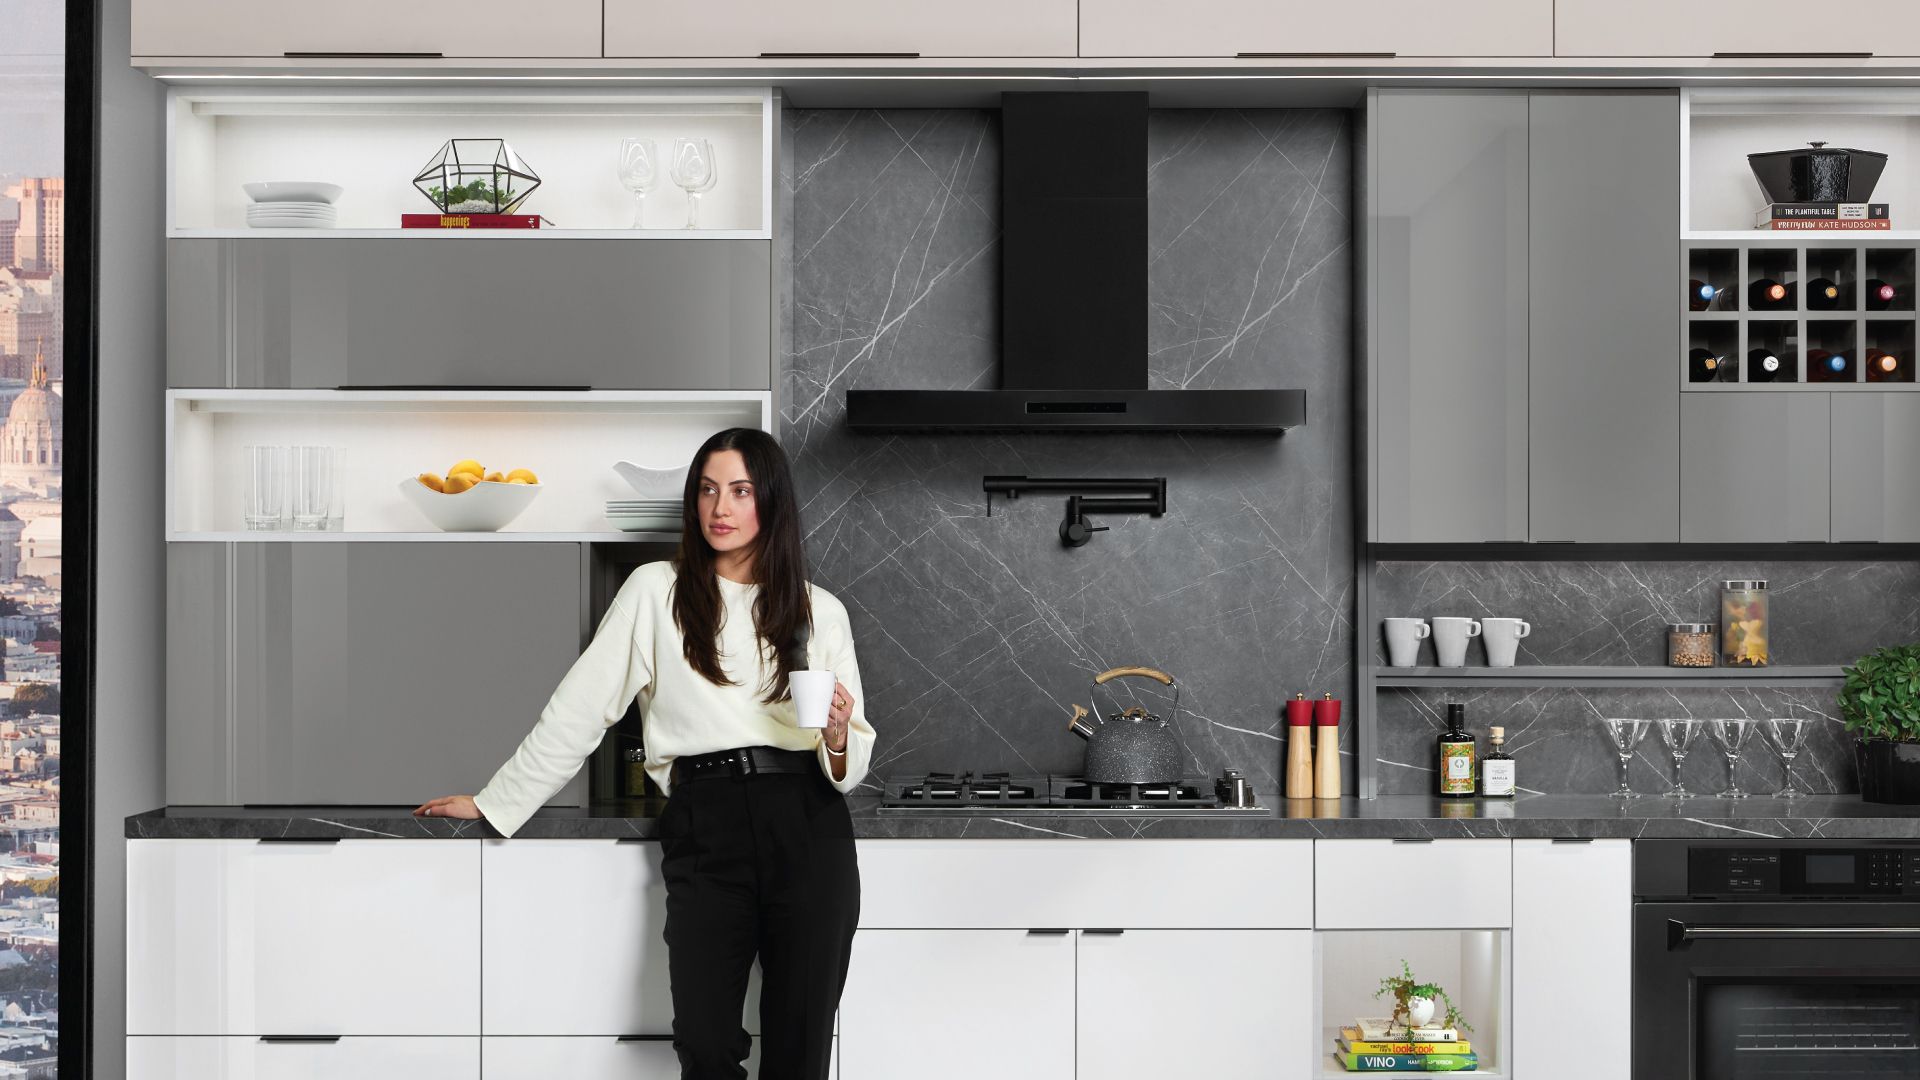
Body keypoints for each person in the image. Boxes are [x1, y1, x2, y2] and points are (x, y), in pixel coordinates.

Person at [413, 427, 873, 1080]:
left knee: (799, 1054)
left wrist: (833, 736)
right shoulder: (656, 592)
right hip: (705, 819)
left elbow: (851, 762)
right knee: (706, 1045)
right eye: (708, 491)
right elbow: (580, 708)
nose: (721, 508)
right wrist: (497, 801)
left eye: (741, 491)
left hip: (808, 820)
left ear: (770, 502)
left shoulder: (819, 611)